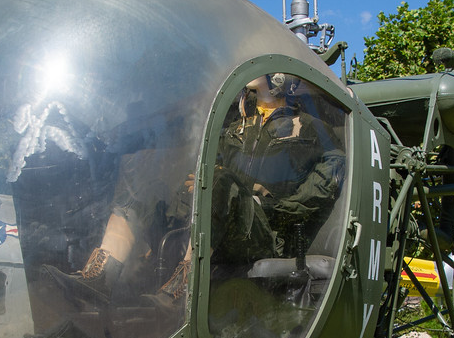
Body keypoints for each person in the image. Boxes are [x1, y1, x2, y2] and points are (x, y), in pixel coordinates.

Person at [46, 72, 346, 313]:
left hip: (268, 234)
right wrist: (188, 193)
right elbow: (211, 176)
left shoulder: (312, 129)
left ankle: (184, 287)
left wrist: (262, 200)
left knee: (220, 180)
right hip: (218, 224)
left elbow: (319, 194)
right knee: (147, 190)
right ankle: (100, 277)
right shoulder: (234, 128)